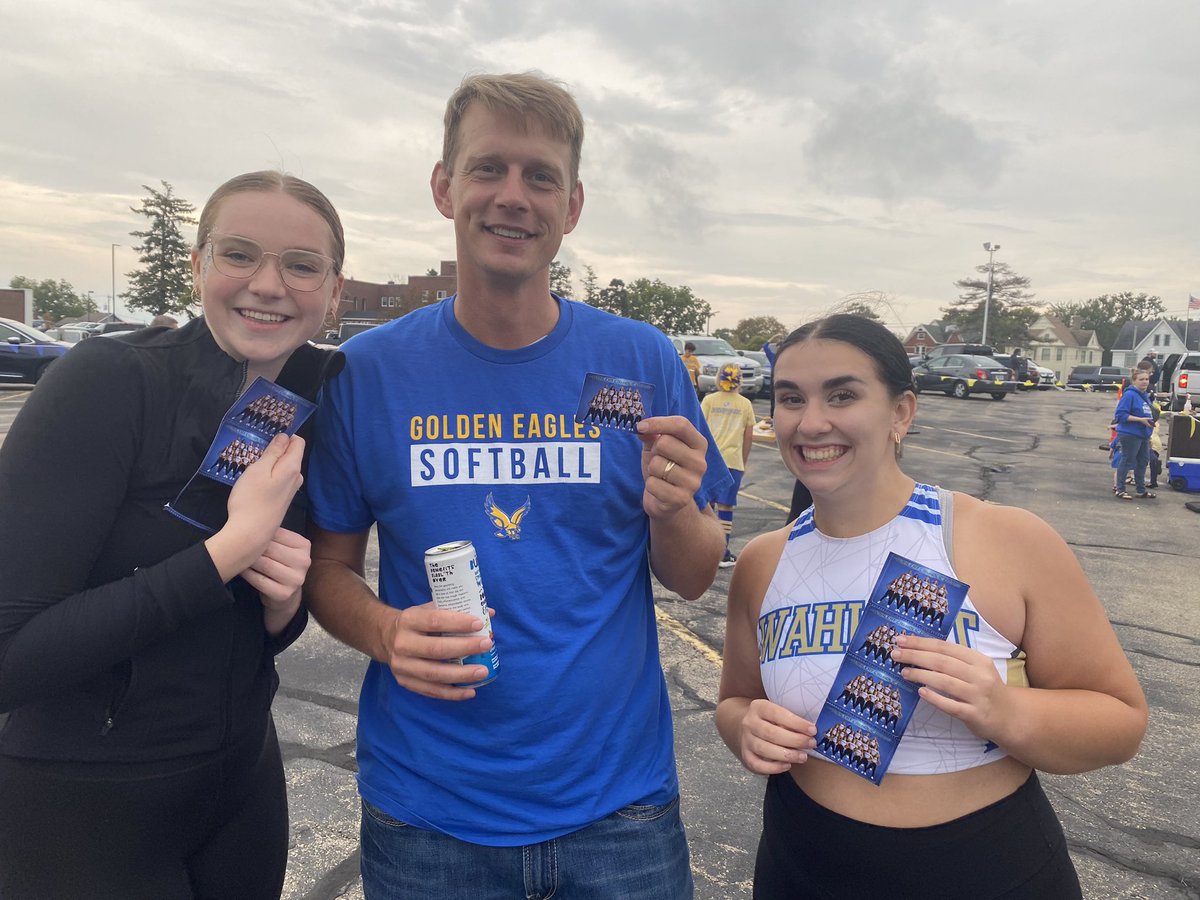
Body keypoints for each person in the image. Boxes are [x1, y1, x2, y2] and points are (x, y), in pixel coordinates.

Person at [304, 72, 729, 900]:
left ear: (572, 206)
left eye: (540, 176)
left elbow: (693, 574)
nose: (512, 197)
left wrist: (674, 508)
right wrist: (389, 634)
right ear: (443, 186)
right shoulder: (370, 372)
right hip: (428, 816)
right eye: (487, 169)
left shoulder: (640, 361)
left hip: (620, 813)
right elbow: (328, 572)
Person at [0, 171, 347, 898]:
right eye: (240, 254)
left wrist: (283, 609)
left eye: (302, 265)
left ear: (334, 293)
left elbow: (249, 632)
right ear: (199, 266)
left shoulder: (305, 399)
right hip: (89, 807)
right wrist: (227, 551)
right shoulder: (108, 380)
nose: (270, 283)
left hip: (240, 786)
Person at [715, 314, 1147, 899]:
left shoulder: (1005, 539)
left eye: (842, 395)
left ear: (901, 412)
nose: (811, 422)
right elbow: (736, 701)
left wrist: (1004, 711)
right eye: (791, 398)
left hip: (984, 868)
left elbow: (1120, 722)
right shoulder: (763, 562)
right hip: (802, 861)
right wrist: (744, 727)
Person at [702, 362, 756, 567]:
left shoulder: (709, 400)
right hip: (733, 460)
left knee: (707, 505)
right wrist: (743, 459)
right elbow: (748, 435)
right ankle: (722, 552)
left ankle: (704, 549)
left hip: (709, 460)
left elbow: (700, 428)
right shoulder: (745, 404)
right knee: (726, 507)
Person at [1114, 367, 1156, 500]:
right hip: (1130, 434)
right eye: (1141, 379)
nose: (1144, 382)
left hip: (1143, 434)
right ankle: (1120, 489)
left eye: (1147, 379)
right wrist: (1140, 420)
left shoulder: (1144, 396)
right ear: (1134, 381)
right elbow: (1120, 415)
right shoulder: (1129, 395)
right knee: (1127, 460)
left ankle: (1141, 490)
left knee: (1143, 461)